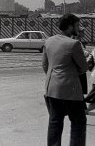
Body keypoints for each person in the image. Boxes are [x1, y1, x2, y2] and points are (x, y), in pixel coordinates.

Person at [42, 13, 88, 146]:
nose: (79, 28)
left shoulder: (49, 41)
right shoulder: (74, 44)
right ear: (69, 26)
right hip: (71, 91)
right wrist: (71, 73)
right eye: (77, 25)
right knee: (78, 122)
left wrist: (55, 76)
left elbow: (45, 65)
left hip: (52, 89)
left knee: (55, 122)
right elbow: (84, 67)